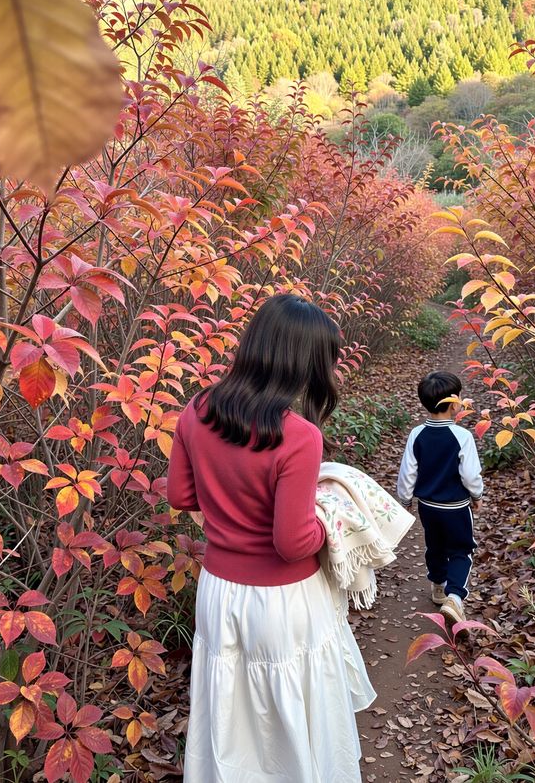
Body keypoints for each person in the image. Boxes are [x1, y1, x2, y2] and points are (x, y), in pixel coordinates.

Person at [167, 293, 371, 783]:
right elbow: (292, 542)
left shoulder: (197, 411)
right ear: (302, 362)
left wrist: (229, 506)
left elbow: (179, 494)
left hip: (219, 591)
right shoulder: (298, 435)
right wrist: (333, 518)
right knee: (292, 702)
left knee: (231, 703)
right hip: (285, 599)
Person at [397, 370, 483, 626]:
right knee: (461, 550)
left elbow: (407, 471)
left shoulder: (417, 434)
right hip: (456, 507)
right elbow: (470, 474)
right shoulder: (462, 436)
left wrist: (404, 500)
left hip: (428, 507)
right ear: (454, 402)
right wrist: (477, 494)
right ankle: (455, 597)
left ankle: (437, 585)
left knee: (434, 544)